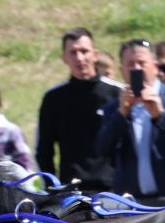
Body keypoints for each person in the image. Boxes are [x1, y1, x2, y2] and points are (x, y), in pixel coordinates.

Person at [90, 39, 165, 200]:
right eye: (130, 64)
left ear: (155, 67)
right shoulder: (114, 107)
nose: (136, 68)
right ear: (122, 70)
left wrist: (161, 116)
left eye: (142, 63)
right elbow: (102, 149)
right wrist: (122, 114)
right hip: (133, 201)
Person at [36, 26, 115, 182]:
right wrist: (53, 187)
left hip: (112, 191)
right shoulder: (53, 98)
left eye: (84, 51)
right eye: (73, 52)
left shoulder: (116, 94)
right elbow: (44, 149)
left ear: (95, 55)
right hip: (71, 190)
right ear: (64, 58)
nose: (79, 58)